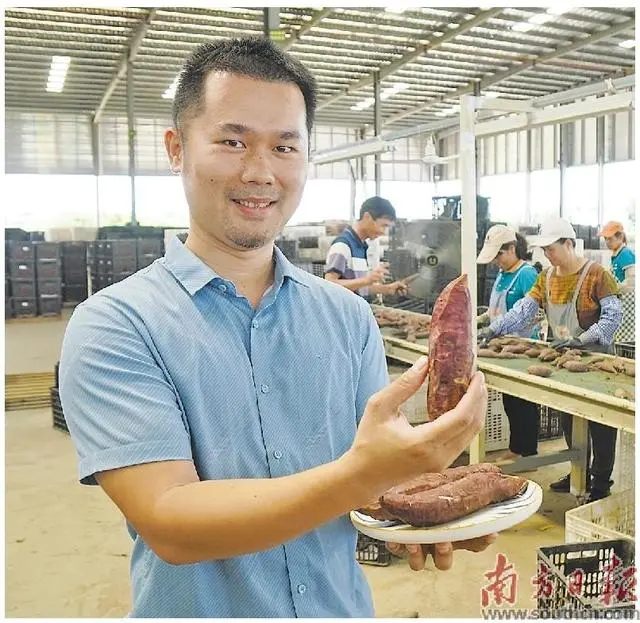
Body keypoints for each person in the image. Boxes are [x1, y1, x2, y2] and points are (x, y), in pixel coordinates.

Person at [58, 37, 494, 618]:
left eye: (285, 146)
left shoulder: (346, 317)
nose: (261, 172)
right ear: (176, 148)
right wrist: (367, 472)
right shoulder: (117, 326)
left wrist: (422, 513)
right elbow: (171, 523)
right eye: (232, 141)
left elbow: (365, 491)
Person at [478, 217, 622, 501]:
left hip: (596, 362)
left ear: (568, 244)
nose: (547, 255)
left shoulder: (597, 275)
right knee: (568, 417)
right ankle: (577, 468)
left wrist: (583, 339)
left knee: (601, 423)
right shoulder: (547, 276)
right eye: (544, 250)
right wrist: (493, 328)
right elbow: (524, 310)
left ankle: (601, 481)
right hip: (561, 360)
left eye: (551, 249)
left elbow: (613, 317)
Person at [476, 225, 541, 461]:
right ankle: (517, 449)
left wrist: (499, 327)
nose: (496, 261)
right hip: (500, 343)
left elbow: (532, 311)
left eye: (499, 255)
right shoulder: (504, 273)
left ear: (512, 249)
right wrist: (482, 320)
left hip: (523, 347)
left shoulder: (526, 274)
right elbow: (495, 309)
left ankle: (529, 454)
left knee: (524, 403)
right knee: (510, 401)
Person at [324, 196, 408, 298]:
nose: (383, 232)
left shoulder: (361, 247)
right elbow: (329, 285)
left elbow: (359, 289)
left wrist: (388, 288)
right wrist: (367, 280)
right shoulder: (343, 246)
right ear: (367, 217)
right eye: (383, 225)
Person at [599, 220, 635, 293]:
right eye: (605, 238)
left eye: (609, 238)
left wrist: (613, 289)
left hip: (627, 299)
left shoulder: (625, 254)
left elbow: (632, 281)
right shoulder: (616, 255)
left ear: (620, 237)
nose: (607, 242)